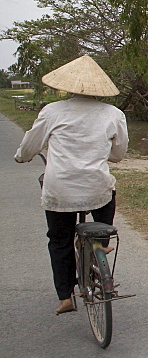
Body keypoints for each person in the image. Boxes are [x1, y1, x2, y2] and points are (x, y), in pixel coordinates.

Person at [14, 55, 129, 315]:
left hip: (60, 190)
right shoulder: (114, 114)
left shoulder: (53, 111)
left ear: (67, 86)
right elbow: (119, 152)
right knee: (107, 190)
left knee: (59, 240)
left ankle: (65, 296)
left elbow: (31, 144)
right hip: (95, 187)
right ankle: (101, 240)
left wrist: (21, 157)